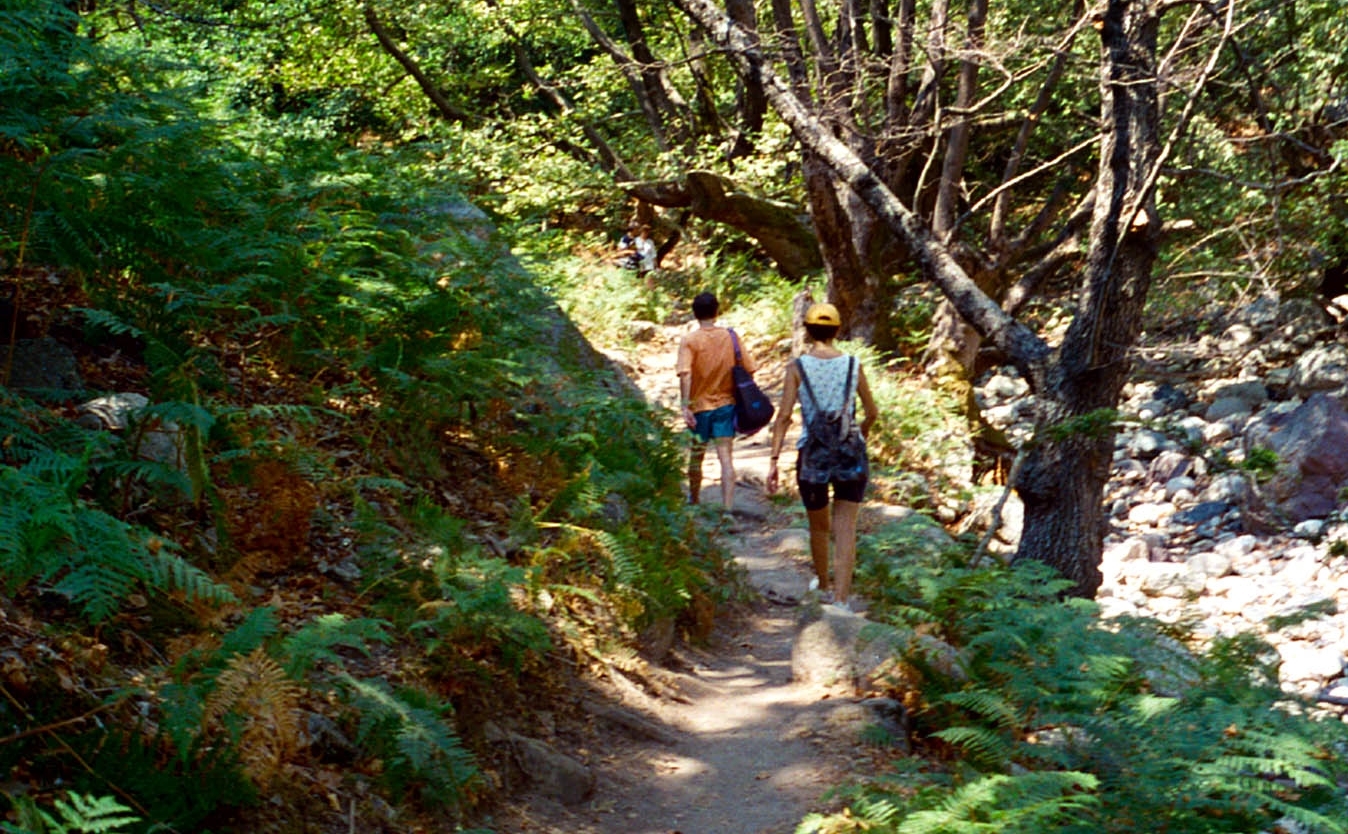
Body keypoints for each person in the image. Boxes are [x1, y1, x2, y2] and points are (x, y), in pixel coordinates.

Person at [766, 302, 879, 612]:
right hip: (849, 454)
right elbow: (871, 412)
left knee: (819, 525)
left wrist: (774, 459)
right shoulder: (854, 366)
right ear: (837, 330)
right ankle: (842, 600)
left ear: (807, 330)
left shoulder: (797, 367)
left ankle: (824, 585)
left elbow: (785, 416)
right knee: (846, 527)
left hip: (813, 454)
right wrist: (860, 436)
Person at [677, 292, 756, 514]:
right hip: (726, 404)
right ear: (717, 311)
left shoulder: (690, 341)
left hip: (700, 408)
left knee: (696, 455)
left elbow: (685, 374)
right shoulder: (731, 337)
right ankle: (727, 509)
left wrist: (685, 406)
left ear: (694, 313)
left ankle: (694, 500)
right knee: (725, 457)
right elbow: (750, 368)